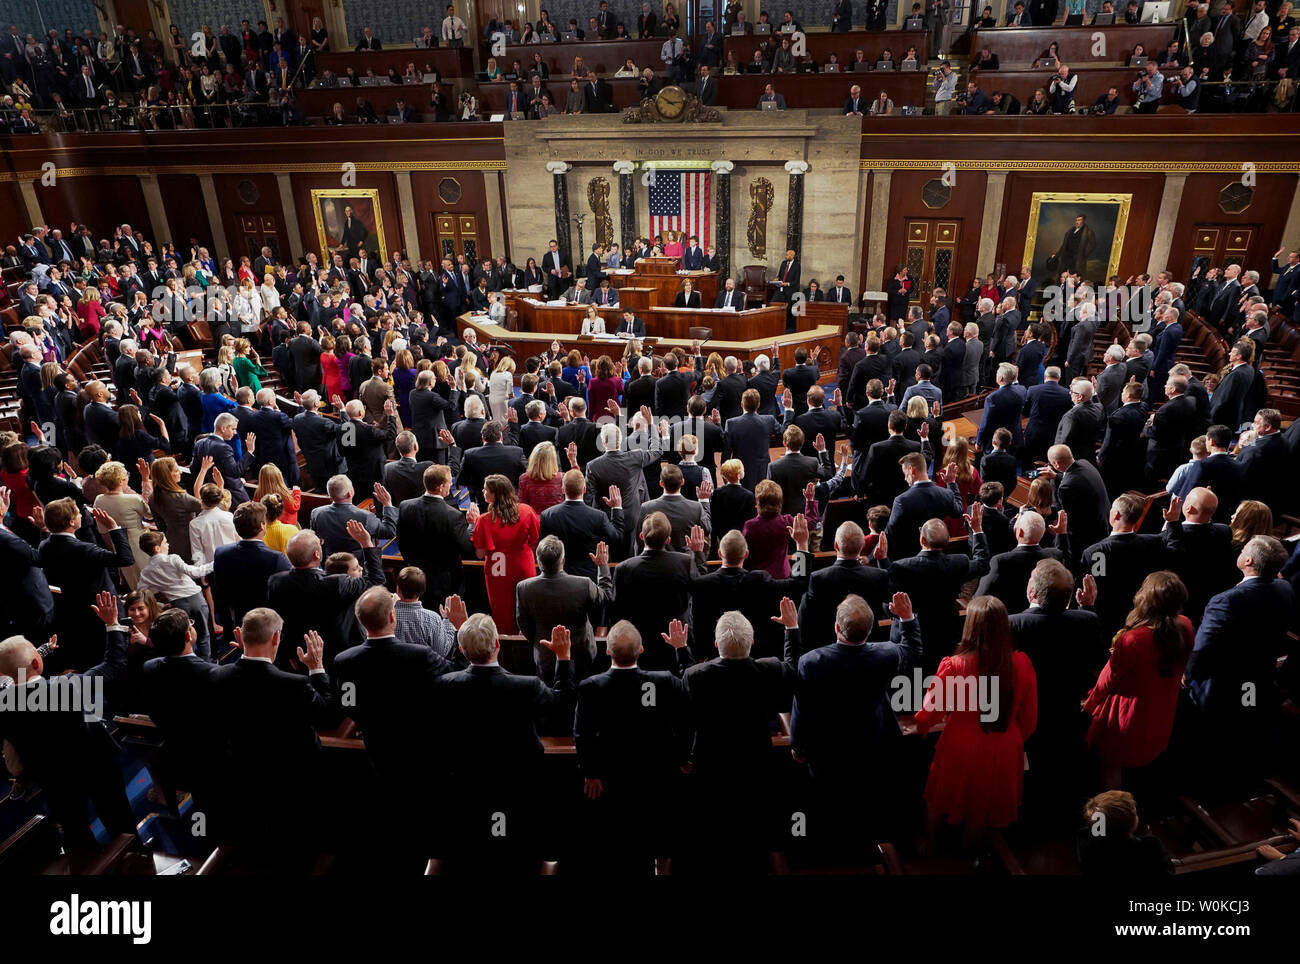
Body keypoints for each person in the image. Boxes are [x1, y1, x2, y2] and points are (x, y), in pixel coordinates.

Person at [915, 596, 1038, 848]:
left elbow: (931, 710)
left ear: (970, 625)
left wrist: (921, 726)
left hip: (960, 743)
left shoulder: (955, 666)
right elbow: (1029, 718)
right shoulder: (1023, 663)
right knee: (983, 807)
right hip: (1004, 744)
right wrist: (1008, 740)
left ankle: (930, 848)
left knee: (939, 797)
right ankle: (970, 858)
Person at [1084, 571, 1194, 788]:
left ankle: (1115, 811)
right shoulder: (1186, 625)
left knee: (1111, 764)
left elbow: (1107, 680)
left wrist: (1089, 703)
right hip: (1162, 705)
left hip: (1127, 712)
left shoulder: (1134, 639)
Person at [471, 474, 540, 635]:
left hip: (498, 574)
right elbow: (535, 541)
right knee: (526, 608)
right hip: (523, 566)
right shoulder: (527, 511)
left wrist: (473, 525)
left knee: (503, 615)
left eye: (486, 489)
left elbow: (480, 554)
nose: (482, 491)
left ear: (495, 494)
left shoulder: (483, 520)